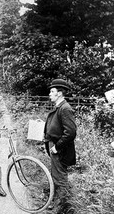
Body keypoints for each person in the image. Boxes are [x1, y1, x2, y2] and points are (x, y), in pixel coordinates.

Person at [44, 79, 77, 211]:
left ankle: (62, 207)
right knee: (56, 176)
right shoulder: (59, 107)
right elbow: (56, 126)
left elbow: (71, 132)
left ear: (60, 93)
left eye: (52, 91)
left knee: (60, 179)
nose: (49, 94)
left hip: (60, 149)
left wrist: (57, 147)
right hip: (56, 146)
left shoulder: (65, 108)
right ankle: (59, 202)